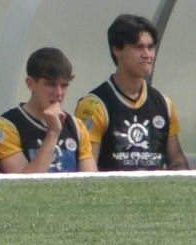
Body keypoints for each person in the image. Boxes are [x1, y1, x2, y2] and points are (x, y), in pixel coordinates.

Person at [74, 14, 188, 171]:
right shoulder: (94, 105)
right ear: (116, 49)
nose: (147, 55)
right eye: (138, 47)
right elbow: (87, 173)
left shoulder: (164, 104)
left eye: (150, 47)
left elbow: (177, 160)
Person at [0, 47, 96, 173]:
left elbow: (91, 180)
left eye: (64, 85)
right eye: (51, 84)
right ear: (31, 84)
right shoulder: (5, 127)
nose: (59, 93)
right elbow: (25, 183)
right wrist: (53, 133)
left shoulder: (77, 127)